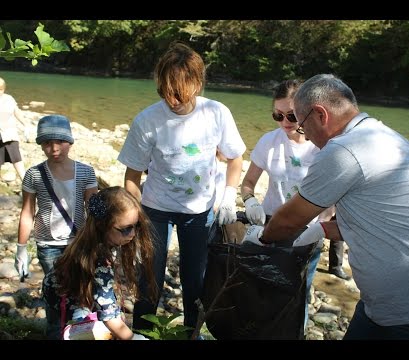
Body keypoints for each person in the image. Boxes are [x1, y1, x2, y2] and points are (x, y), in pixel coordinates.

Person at [242, 73, 409, 340]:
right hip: (383, 307)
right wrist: (322, 229)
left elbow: (288, 221)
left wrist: (261, 238)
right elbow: (378, 220)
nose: (304, 135)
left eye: (301, 124)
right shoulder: (384, 135)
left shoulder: (344, 151)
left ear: (320, 114)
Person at [117, 41, 246, 337]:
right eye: (167, 93)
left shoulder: (216, 113)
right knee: (149, 276)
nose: (173, 101)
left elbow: (236, 157)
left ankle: (192, 332)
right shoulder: (147, 120)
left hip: (199, 212)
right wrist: (134, 215)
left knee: (196, 279)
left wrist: (228, 195)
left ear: (197, 84)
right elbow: (132, 176)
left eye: (180, 94)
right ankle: (142, 333)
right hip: (155, 209)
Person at [240, 79, 339, 332]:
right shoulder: (268, 142)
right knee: (265, 286)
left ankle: (295, 332)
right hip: (272, 223)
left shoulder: (324, 147)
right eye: (278, 115)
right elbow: (248, 182)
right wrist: (250, 200)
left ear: (307, 112)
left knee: (298, 292)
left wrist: (320, 227)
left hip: (308, 229)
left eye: (292, 116)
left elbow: (333, 198)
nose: (285, 122)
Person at [42, 186, 159, 340]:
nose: (132, 234)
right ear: (103, 225)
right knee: (71, 332)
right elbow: (109, 315)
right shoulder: (100, 260)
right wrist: (133, 338)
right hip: (65, 295)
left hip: (68, 290)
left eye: (136, 226)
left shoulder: (93, 238)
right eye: (125, 229)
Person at [15, 114, 98, 280]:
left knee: (80, 287)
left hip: (78, 241)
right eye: (47, 143)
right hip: (47, 245)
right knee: (55, 289)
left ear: (70, 142)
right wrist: (21, 248)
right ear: (40, 145)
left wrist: (100, 242)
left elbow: (94, 210)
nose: (54, 149)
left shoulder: (86, 172)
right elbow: (27, 212)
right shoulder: (34, 174)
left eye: (60, 141)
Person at [0, 77, 27, 181]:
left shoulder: (9, 98)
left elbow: (17, 112)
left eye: (1, 89)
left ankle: (27, 185)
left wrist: (26, 124)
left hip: (9, 135)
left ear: (4, 89)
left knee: (17, 160)